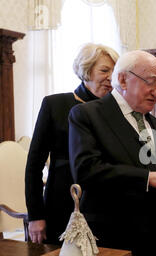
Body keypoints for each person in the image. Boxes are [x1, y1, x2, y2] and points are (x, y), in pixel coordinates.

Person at [68, 50, 156, 256]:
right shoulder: (87, 115)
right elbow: (86, 170)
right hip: (116, 240)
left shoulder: (155, 125)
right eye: (151, 82)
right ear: (123, 80)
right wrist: (147, 178)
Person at [25, 43, 119, 245]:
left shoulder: (116, 111)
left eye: (115, 71)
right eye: (104, 70)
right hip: (61, 204)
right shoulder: (54, 105)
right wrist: (35, 215)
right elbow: (34, 165)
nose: (111, 77)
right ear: (86, 70)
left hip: (105, 209)